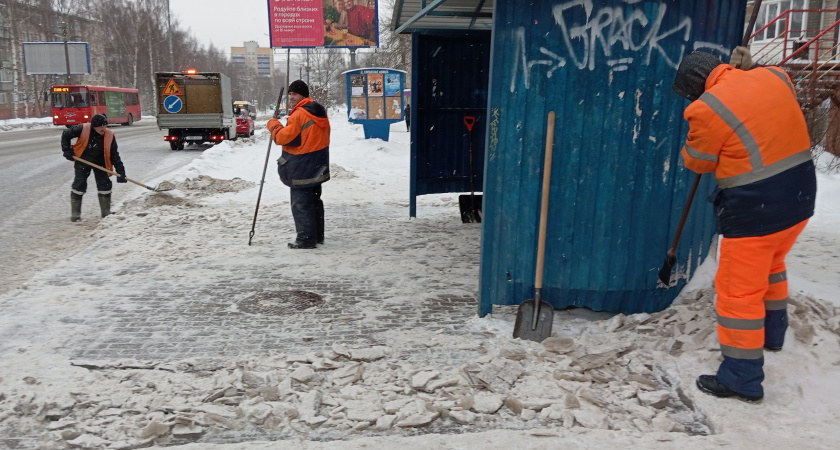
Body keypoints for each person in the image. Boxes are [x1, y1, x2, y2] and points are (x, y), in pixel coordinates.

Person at [672, 49, 816, 403]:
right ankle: (773, 333)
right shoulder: (774, 76)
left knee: (739, 293)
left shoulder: (706, 108)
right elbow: (768, 98)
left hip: (757, 210)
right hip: (800, 198)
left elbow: (698, 161)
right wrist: (747, 69)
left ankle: (741, 377)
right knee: (772, 266)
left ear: (695, 87)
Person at [267, 80, 331, 249]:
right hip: (318, 164)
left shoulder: (299, 115)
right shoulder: (319, 111)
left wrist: (273, 125)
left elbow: (282, 138)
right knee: (315, 201)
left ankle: (305, 239)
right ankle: (317, 236)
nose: (291, 97)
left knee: (301, 204)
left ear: (303, 94)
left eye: (294, 94)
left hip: (301, 167)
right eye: (289, 94)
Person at [61, 114, 127, 222]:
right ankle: (75, 215)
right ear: (94, 126)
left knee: (105, 185)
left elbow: (114, 155)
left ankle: (106, 212)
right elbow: (66, 134)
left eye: (105, 126)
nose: (103, 128)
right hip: (83, 159)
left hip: (101, 162)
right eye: (100, 126)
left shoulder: (109, 135)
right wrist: (66, 150)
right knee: (79, 185)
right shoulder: (83, 128)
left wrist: (121, 172)